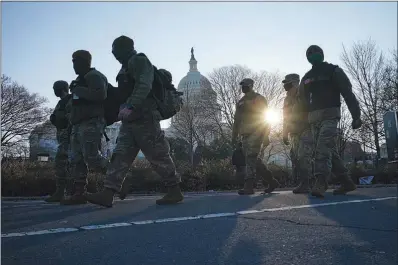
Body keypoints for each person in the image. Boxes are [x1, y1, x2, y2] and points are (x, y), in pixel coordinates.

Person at [86, 35, 183, 207]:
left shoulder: (139, 61)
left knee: (158, 155)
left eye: (115, 49)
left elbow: (144, 85)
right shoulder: (125, 68)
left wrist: (131, 105)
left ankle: (174, 190)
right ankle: (108, 193)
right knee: (120, 155)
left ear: (125, 48)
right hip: (130, 120)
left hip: (145, 117)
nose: (113, 54)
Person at [299, 45, 362, 198]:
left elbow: (348, 93)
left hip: (330, 116)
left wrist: (356, 115)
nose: (313, 54)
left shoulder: (334, 71)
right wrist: (302, 123)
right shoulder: (306, 77)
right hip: (313, 119)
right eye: (309, 53)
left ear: (322, 53)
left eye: (316, 52)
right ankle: (346, 181)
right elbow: (302, 103)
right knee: (329, 151)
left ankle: (321, 182)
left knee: (322, 148)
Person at [60, 50, 109, 205]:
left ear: (85, 62)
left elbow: (100, 94)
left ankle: (118, 177)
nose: (74, 65)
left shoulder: (94, 76)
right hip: (78, 124)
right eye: (73, 61)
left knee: (92, 157)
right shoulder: (79, 80)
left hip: (91, 122)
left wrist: (77, 89)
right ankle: (79, 192)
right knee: (76, 159)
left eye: (76, 61)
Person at [231, 78, 280, 195]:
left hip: (256, 132)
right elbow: (236, 120)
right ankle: (272, 181)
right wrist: (234, 136)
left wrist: (266, 135)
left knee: (251, 158)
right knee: (253, 160)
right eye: (242, 85)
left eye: (245, 85)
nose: (243, 87)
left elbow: (265, 117)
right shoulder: (241, 102)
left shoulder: (259, 99)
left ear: (251, 85)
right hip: (245, 135)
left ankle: (249, 185)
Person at [282, 74, 313, 194]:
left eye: (287, 82)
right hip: (294, 132)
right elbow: (285, 117)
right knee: (297, 158)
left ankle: (307, 183)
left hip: (306, 129)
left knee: (303, 156)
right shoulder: (286, 99)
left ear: (295, 82)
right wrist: (285, 133)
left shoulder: (304, 93)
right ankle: (304, 182)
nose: (285, 85)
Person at [46, 80, 73, 202]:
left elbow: (71, 117)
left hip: (70, 137)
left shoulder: (71, 100)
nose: (54, 91)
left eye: (55, 88)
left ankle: (63, 192)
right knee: (65, 165)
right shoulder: (60, 103)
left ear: (61, 89)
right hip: (63, 137)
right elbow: (55, 118)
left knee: (61, 162)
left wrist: (58, 118)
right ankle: (64, 192)